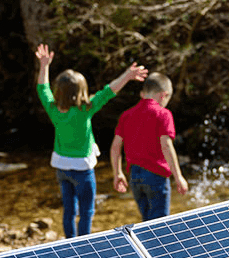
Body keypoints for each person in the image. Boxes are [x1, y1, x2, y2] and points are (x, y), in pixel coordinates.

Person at [35, 43, 148, 238]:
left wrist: (44, 66)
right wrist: (127, 76)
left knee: (69, 210)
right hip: (83, 170)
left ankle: (70, 242)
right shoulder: (84, 111)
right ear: (81, 92)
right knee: (86, 211)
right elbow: (108, 92)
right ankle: (84, 243)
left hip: (62, 169)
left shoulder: (53, 109)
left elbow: (42, 88)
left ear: (59, 92)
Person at [110, 72, 188, 221]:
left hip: (135, 176)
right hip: (156, 176)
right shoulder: (163, 114)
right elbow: (166, 146)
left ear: (142, 93)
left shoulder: (126, 115)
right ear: (163, 95)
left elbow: (115, 147)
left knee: (146, 221)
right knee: (159, 224)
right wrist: (178, 177)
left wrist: (117, 173)